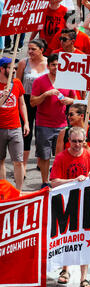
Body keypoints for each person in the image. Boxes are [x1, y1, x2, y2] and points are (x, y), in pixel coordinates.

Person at [50, 126, 90, 287]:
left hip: (87, 203)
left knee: (86, 239)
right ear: (68, 141)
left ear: (85, 142)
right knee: (67, 238)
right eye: (74, 141)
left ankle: (83, 278)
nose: (77, 144)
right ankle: (65, 270)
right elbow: (53, 182)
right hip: (67, 204)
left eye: (80, 141)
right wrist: (73, 180)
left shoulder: (89, 155)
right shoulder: (61, 157)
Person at [30, 53, 77, 189]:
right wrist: (45, 94)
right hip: (44, 124)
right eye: (53, 65)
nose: (56, 67)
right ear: (48, 66)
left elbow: (75, 100)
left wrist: (70, 101)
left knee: (61, 155)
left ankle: (59, 180)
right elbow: (32, 102)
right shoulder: (40, 81)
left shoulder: (68, 81)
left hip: (62, 124)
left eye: (59, 65)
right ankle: (45, 182)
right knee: (44, 156)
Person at [16, 39, 48, 175]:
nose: (29, 52)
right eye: (28, 49)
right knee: (26, 132)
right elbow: (17, 83)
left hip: (44, 100)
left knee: (42, 132)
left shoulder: (49, 63)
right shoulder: (24, 63)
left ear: (41, 50)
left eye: (33, 49)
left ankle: (42, 161)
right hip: (27, 99)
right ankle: (22, 164)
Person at [0, 57, 29, 191]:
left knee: (18, 162)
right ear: (2, 69)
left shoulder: (17, 83)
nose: (14, 70)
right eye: (11, 68)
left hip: (15, 127)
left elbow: (22, 104)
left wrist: (26, 123)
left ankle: (19, 191)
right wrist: (2, 98)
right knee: (1, 161)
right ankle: (3, 191)